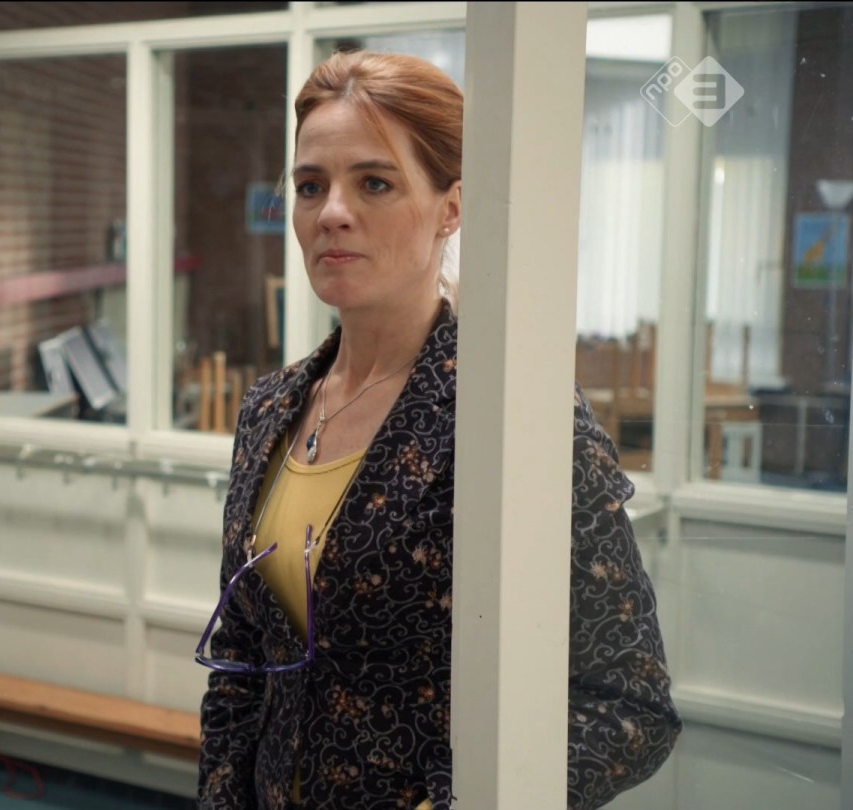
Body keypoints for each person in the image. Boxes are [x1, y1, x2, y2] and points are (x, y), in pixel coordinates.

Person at [194, 50, 682, 810]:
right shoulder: (269, 409)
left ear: (451, 208)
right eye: (310, 186)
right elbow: (242, 659)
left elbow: (628, 704)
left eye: (375, 183)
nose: (331, 213)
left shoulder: (509, 419)